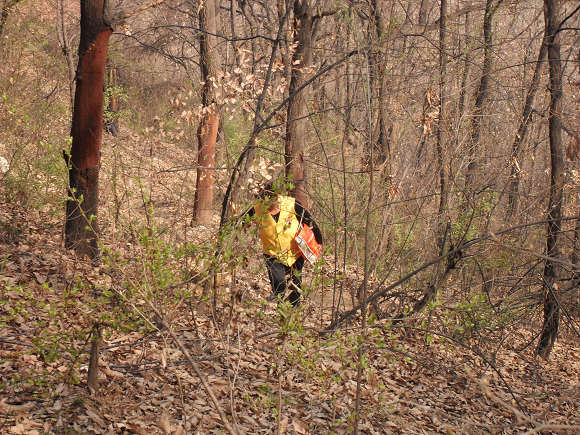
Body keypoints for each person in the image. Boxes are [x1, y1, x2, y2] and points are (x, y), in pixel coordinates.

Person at [240, 182, 323, 307]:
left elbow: (310, 221)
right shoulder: (257, 208)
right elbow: (241, 221)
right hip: (272, 254)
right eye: (265, 202)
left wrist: (319, 241)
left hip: (294, 252)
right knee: (279, 282)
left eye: (271, 202)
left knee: (295, 284)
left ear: (277, 197)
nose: (268, 206)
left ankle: (294, 309)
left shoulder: (291, 204)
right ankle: (280, 306)